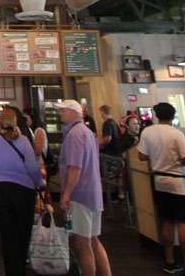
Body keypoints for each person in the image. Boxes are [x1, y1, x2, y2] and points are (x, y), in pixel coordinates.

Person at [137, 102, 185, 274]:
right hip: (179, 183)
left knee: (167, 220)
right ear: (173, 116)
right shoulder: (176, 134)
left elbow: (142, 156)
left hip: (159, 181)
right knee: (184, 223)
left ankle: (169, 260)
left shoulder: (148, 132)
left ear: (157, 115)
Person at [0, 106, 44, 276]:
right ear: (16, 121)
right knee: (22, 236)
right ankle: (20, 271)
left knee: (7, 236)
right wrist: (40, 183)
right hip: (23, 192)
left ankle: (11, 272)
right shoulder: (24, 141)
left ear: (0, 123)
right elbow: (33, 168)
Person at [58, 99, 112, 276]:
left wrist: (66, 194)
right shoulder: (88, 132)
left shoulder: (74, 134)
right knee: (94, 241)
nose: (61, 114)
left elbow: (75, 167)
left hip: (80, 195)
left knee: (83, 244)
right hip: (93, 194)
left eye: (64, 110)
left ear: (74, 113)